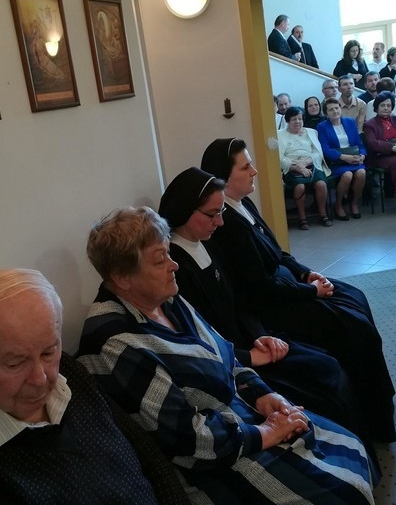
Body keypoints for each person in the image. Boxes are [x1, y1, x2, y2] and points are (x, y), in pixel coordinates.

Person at [78, 206, 379, 504]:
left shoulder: (164, 298)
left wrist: (263, 394)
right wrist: (266, 431)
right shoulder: (115, 343)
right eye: (160, 259)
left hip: (237, 417)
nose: (174, 265)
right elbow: (187, 440)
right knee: (342, 491)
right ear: (122, 277)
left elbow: (224, 353)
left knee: (350, 445)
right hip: (208, 462)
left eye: (169, 253)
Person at [0, 268, 188, 504]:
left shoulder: (67, 370)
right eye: (15, 363)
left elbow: (142, 447)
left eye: (48, 352)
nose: (40, 378)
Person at [158, 167, 377, 449]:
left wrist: (261, 335)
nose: (220, 222)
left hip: (252, 340)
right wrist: (248, 356)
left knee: (327, 364)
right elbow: (197, 339)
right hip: (233, 363)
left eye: (221, 212)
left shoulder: (207, 245)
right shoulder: (176, 267)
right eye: (212, 214)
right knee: (323, 380)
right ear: (185, 211)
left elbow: (240, 302)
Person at [200, 138, 396, 442]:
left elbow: (278, 252)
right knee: (355, 327)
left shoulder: (244, 204)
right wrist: (311, 292)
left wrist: (306, 273)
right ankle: (372, 418)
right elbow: (259, 289)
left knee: (356, 297)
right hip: (274, 305)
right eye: (246, 166)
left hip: (289, 285)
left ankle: (377, 403)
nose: (254, 171)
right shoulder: (228, 225)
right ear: (224, 178)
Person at [278, 106, 333, 228]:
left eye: (300, 119)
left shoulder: (311, 132)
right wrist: (298, 167)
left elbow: (318, 153)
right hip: (291, 168)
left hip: (311, 165)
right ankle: (302, 218)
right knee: (300, 187)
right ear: (288, 121)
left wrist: (305, 163)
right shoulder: (280, 135)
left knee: (321, 184)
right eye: (294, 119)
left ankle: (323, 214)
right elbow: (279, 158)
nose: (297, 122)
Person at [317, 98, 367, 220]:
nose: (335, 111)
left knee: (361, 173)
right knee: (347, 175)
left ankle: (354, 203)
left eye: (337, 108)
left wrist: (362, 155)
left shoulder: (350, 121)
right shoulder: (322, 126)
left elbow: (359, 143)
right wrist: (343, 157)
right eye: (331, 109)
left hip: (354, 158)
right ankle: (338, 204)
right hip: (337, 161)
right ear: (326, 113)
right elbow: (325, 149)